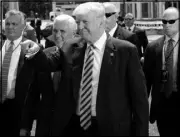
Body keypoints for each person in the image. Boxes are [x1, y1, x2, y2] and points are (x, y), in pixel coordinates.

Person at [24, 2, 149, 136]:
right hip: (75, 127)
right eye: (78, 22)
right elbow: (47, 64)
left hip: (111, 128)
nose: (80, 27)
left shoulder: (126, 51)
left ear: (101, 22)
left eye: (85, 22)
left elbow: (139, 100)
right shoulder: (70, 47)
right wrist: (34, 51)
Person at [20, 14, 78, 136]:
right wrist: (25, 126)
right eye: (55, 30)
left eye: (62, 31)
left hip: (71, 127)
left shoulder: (81, 57)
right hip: (45, 126)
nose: (57, 35)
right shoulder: (43, 56)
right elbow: (33, 93)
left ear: (74, 33)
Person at [143, 7, 179, 136]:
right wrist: (141, 106)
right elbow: (146, 79)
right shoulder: (153, 47)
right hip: (162, 103)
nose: (167, 25)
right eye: (164, 21)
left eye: (171, 21)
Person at [0, 10, 36, 136]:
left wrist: (26, 125)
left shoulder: (31, 49)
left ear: (23, 25)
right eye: (8, 24)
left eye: (14, 24)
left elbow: (34, 90)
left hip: (18, 111)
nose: (10, 27)